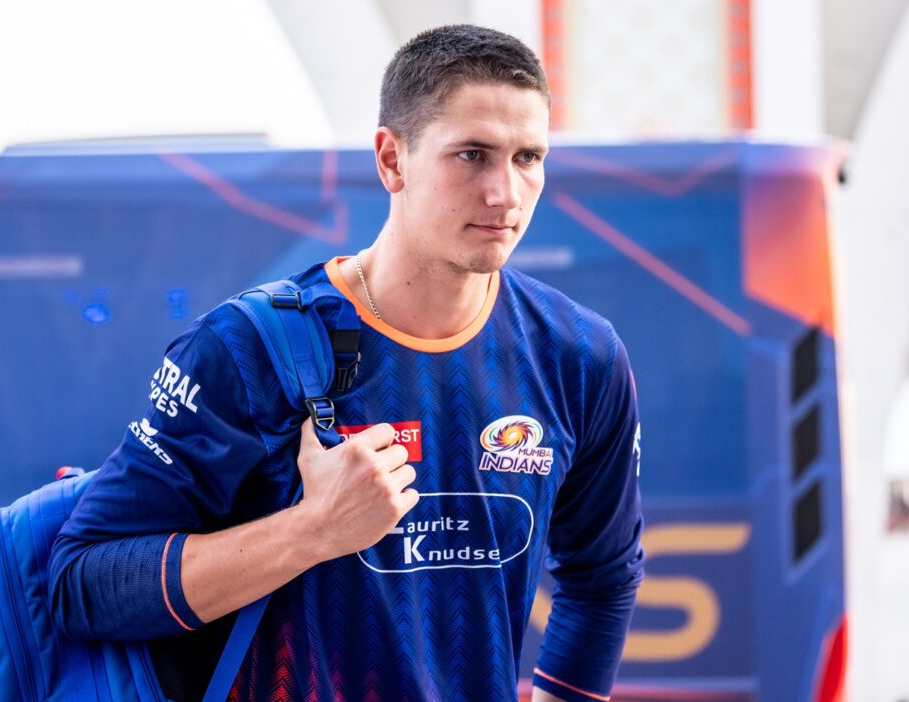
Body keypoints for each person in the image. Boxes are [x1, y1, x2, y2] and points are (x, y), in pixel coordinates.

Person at [49, 24, 644, 702]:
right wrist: (313, 530)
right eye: (472, 155)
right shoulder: (245, 348)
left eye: (528, 157)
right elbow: (82, 582)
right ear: (392, 160)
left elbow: (603, 578)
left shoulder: (579, 354)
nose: (505, 193)